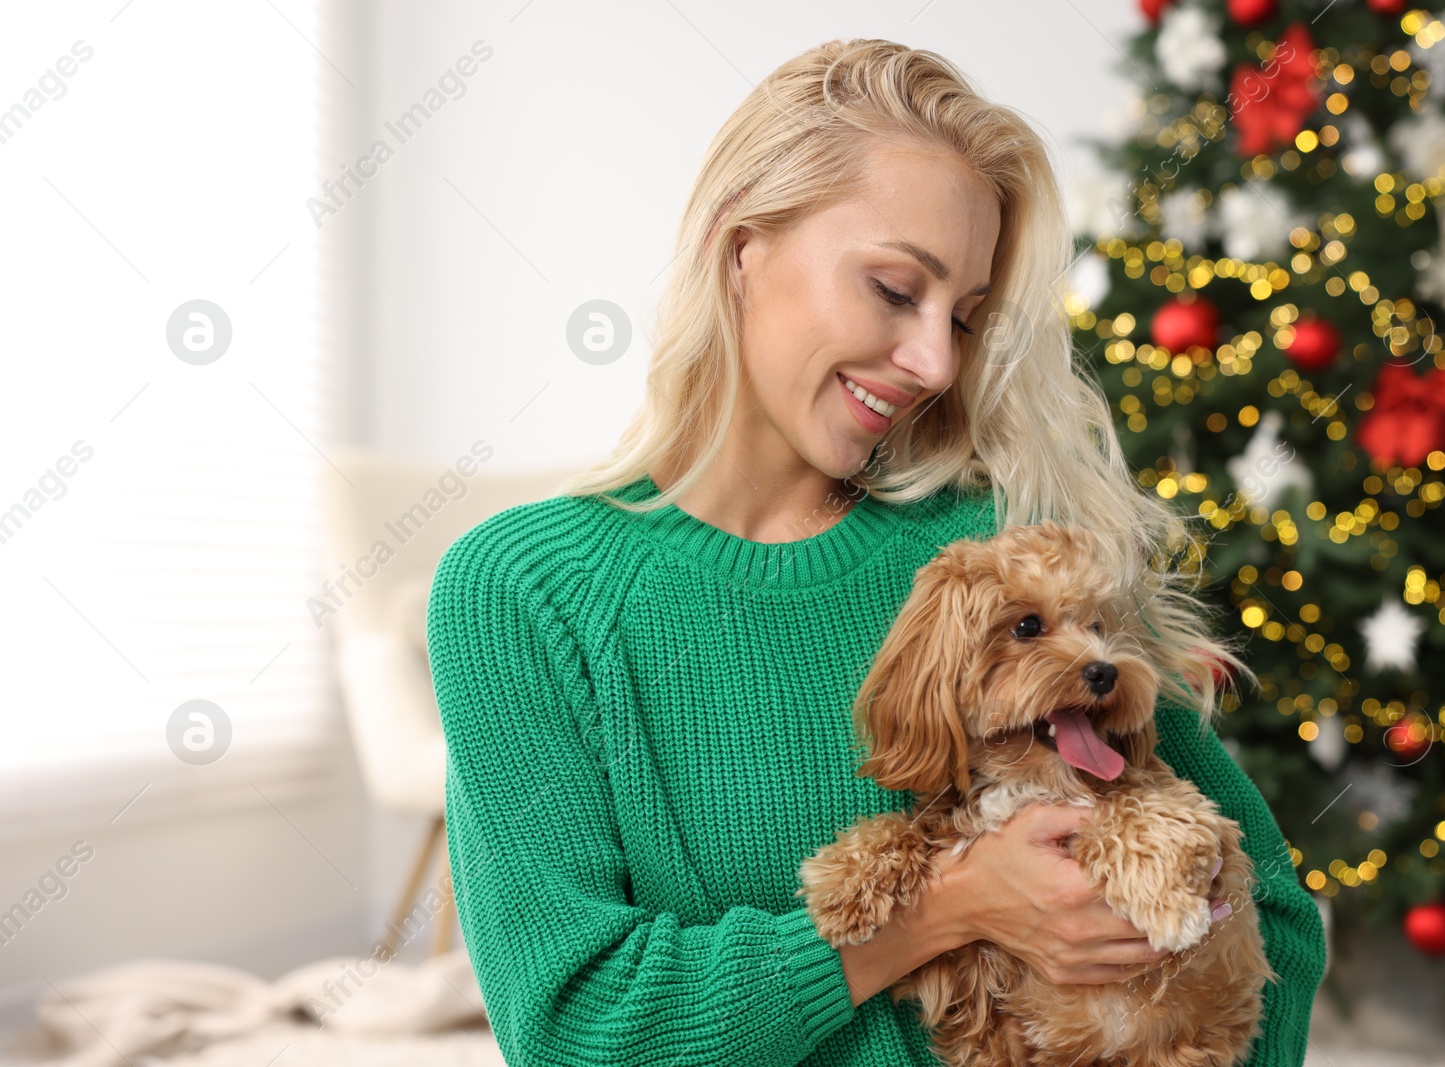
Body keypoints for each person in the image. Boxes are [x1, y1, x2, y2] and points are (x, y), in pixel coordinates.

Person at [426, 37, 1326, 1067]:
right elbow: (575, 1026)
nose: (935, 360)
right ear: (740, 244)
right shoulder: (523, 592)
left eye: (965, 317)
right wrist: (939, 910)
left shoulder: (992, 564)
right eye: (897, 289)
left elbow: (1274, 919)